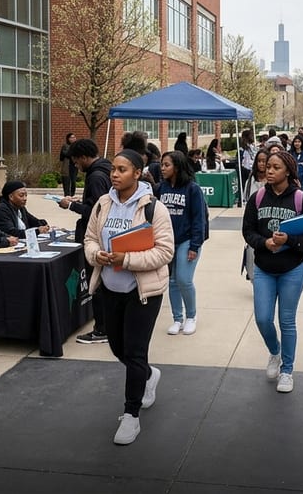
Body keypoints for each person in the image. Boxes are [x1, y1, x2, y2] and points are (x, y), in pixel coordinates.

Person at [84, 149, 174, 445]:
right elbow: (90, 239)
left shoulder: (154, 208)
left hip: (142, 292)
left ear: (137, 173)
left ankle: (131, 415)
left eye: (122, 169)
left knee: (135, 352)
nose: (114, 174)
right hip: (110, 288)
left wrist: (127, 259)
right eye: (113, 169)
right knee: (117, 347)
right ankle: (149, 374)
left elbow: (164, 251)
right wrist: (97, 254)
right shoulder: (102, 204)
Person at [241, 151, 303, 394]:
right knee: (263, 318)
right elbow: (248, 231)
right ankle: (275, 352)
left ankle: (287, 370)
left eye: (275, 167)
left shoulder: (300, 199)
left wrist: (290, 240)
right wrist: (264, 243)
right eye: (267, 167)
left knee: (287, 321)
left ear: (288, 171)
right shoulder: (257, 198)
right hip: (264, 268)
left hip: (292, 269)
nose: (269, 170)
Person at [60, 139, 114, 345]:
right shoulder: (105, 170)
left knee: (98, 284)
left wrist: (70, 206)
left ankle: (102, 329)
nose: (75, 165)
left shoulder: (96, 176)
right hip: (103, 236)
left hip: (97, 238)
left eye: (75, 161)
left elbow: (97, 211)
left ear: (83, 157)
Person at [157, 151, 209, 336]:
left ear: (177, 167)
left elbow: (199, 219)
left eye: (166, 165)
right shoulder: (161, 188)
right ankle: (177, 319)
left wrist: (195, 245)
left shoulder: (192, 189)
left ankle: (191, 317)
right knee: (172, 281)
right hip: (167, 242)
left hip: (187, 240)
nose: (162, 168)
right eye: (162, 165)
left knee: (183, 279)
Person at [58, 132, 78, 197]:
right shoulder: (65, 146)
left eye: (74, 137)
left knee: (73, 182)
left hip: (74, 167)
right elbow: (65, 154)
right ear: (68, 139)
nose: (73, 139)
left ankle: (72, 195)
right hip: (67, 166)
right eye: (71, 137)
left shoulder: (77, 146)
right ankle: (67, 195)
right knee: (66, 181)